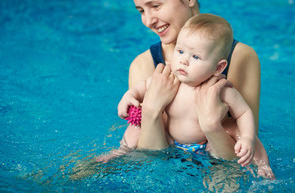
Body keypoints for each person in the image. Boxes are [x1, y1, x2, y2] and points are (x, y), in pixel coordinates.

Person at [103, 0, 274, 178]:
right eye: (141, 11)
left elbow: (242, 155)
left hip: (220, 161)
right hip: (161, 169)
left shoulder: (241, 57)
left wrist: (211, 125)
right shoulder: (143, 64)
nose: (148, 21)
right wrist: (153, 111)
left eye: (155, 5)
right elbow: (148, 162)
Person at [101, 13, 258, 167]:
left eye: (195, 57)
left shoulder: (220, 90)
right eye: (180, 51)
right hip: (169, 140)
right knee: (135, 128)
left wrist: (247, 138)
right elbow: (142, 87)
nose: (183, 61)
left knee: (240, 135)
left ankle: (260, 165)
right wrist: (129, 96)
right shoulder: (170, 78)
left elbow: (243, 112)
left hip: (205, 144)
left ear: (218, 67)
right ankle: (120, 152)